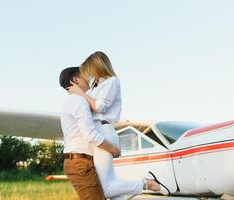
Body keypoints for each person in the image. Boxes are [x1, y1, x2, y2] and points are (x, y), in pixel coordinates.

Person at [68, 52, 169, 199]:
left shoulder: (112, 81)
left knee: (106, 189)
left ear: (96, 66)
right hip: (99, 131)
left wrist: (80, 93)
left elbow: (99, 107)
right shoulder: (95, 86)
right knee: (111, 187)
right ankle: (147, 183)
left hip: (104, 129)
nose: (86, 75)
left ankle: (148, 183)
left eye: (88, 70)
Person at [59, 67, 121, 200]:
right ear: (76, 79)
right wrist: (113, 149)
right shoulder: (78, 101)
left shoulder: (75, 100)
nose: (89, 79)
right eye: (85, 76)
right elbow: (90, 134)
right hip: (81, 163)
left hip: (81, 162)